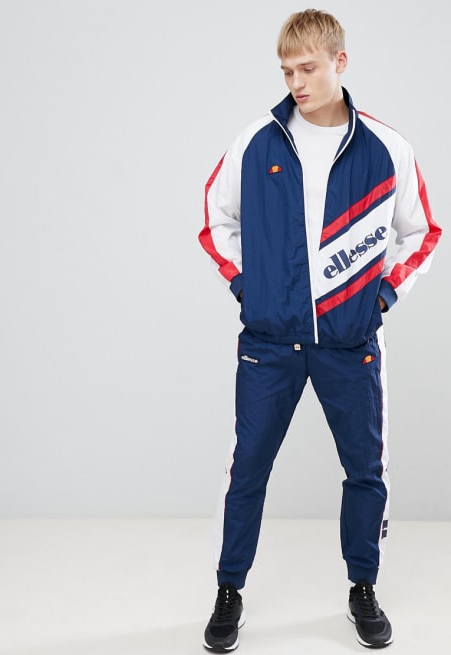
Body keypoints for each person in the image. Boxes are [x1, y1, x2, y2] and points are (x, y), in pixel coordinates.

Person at [198, 8, 442, 652]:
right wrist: (247, 287)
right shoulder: (257, 141)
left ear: (340, 62)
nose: (296, 82)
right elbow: (214, 219)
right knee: (247, 470)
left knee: (365, 471)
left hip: (349, 343)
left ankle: (363, 586)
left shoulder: (386, 148)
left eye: (307, 68)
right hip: (270, 343)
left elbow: (422, 232)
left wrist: (384, 293)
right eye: (286, 71)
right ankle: (229, 589)